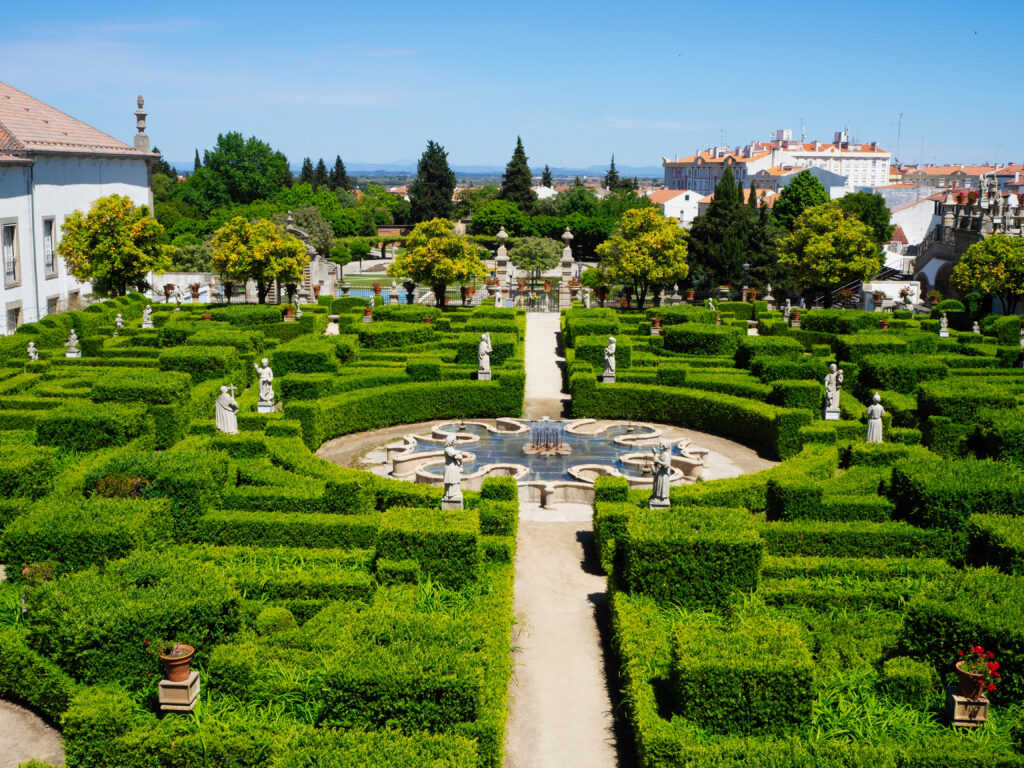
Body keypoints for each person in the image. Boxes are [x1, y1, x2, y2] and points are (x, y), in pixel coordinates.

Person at [650, 439, 672, 506]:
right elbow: (659, 459)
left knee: (660, 486)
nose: (659, 446)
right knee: (658, 486)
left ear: (663, 446)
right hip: (660, 473)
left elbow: (667, 464)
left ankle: (660, 498)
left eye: (660, 445)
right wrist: (655, 453)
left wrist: (657, 461)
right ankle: (657, 497)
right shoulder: (663, 453)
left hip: (663, 475)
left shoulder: (665, 454)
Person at [442, 434, 463, 503]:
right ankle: (450, 494)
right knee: (451, 481)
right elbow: (452, 454)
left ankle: (455, 492)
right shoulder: (447, 449)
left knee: (455, 480)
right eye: (455, 440)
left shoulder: (451, 448)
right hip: (450, 467)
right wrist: (459, 452)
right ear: (452, 441)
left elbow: (458, 457)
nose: (455, 442)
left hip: (454, 467)